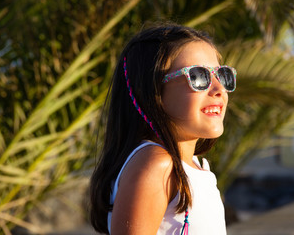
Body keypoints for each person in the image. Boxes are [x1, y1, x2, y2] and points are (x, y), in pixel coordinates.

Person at [89, 23, 236, 235]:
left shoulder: (191, 166)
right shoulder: (157, 165)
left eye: (222, 75)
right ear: (153, 91)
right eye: (198, 76)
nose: (219, 88)